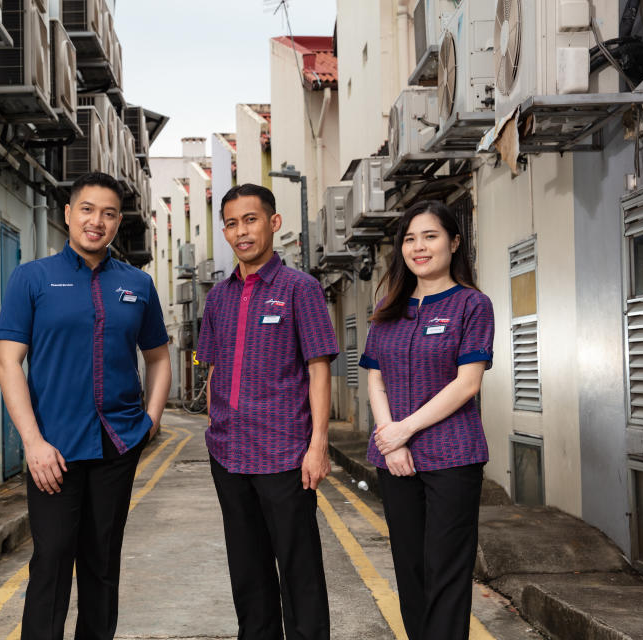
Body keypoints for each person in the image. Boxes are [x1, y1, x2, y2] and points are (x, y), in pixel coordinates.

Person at [0, 172, 171, 640]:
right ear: (68, 215)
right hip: (53, 451)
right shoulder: (32, 278)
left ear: (118, 223)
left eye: (109, 213)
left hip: (118, 446)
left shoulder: (138, 284)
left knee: (102, 563)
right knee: (51, 562)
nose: (97, 221)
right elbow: (8, 363)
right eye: (88, 210)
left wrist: (150, 422)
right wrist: (32, 443)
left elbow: (158, 357)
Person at [196, 183, 338, 640]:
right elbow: (214, 369)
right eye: (233, 223)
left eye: (251, 220)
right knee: (248, 574)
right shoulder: (217, 298)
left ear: (273, 223)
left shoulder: (301, 289)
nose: (242, 232)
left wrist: (318, 445)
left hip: (285, 455)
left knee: (300, 574)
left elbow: (319, 370)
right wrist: (215, 430)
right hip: (230, 457)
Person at [360, 200, 494, 640]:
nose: (419, 247)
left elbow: (466, 384)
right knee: (411, 571)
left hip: (453, 457)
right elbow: (375, 381)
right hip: (395, 460)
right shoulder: (387, 309)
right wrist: (389, 440)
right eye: (410, 238)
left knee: (446, 572)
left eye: (430, 236)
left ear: (454, 243)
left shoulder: (472, 305)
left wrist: (405, 429)